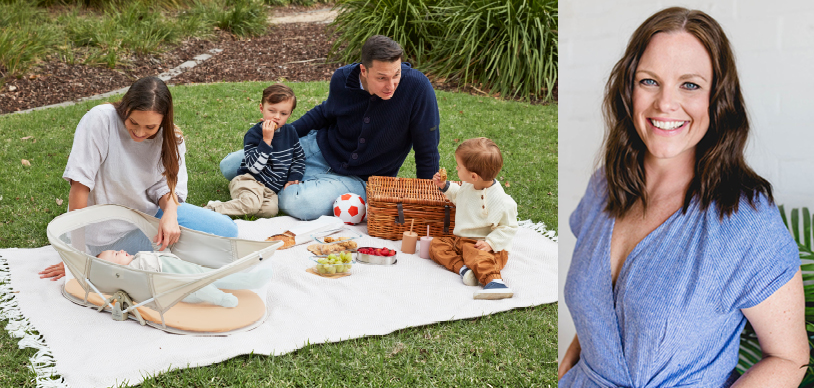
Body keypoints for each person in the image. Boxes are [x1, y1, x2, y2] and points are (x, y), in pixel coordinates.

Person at [559, 7, 807, 387]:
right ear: (628, 88)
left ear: (718, 98)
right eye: (649, 81)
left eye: (689, 84)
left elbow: (789, 358)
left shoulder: (747, 221)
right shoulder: (604, 187)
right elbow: (601, 312)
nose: (665, 104)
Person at [218, 35, 441, 220]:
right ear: (364, 71)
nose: (391, 85)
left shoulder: (417, 88)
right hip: (318, 149)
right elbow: (325, 113)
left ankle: (268, 183)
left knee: (297, 202)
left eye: (396, 75)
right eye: (382, 78)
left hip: (359, 178)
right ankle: (279, 179)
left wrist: (427, 201)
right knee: (229, 165)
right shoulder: (343, 78)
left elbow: (426, 148)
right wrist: (282, 138)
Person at [39, 76, 238, 282]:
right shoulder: (100, 120)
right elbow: (80, 187)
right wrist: (76, 257)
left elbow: (165, 188)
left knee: (227, 232)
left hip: (145, 222)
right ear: (125, 108)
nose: (139, 132)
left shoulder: (171, 140)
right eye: (133, 122)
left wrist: (170, 213)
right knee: (204, 250)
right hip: (101, 238)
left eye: (150, 128)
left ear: (163, 122)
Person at [430, 138, 518, 300]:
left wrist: (490, 243)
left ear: (473, 175)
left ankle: (495, 283)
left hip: (486, 247)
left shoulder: (501, 201)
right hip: (462, 241)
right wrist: (445, 186)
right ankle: (465, 270)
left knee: (478, 256)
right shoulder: (468, 185)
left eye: (459, 166)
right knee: (436, 245)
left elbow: (509, 227)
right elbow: (460, 197)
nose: (456, 168)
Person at [204, 84, 305, 218]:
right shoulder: (254, 134)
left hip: (269, 190)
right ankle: (212, 209)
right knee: (251, 205)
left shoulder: (290, 132)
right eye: (272, 111)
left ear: (290, 114)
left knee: (270, 211)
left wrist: (294, 177)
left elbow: (299, 158)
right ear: (262, 108)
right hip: (249, 180)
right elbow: (254, 168)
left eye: (283, 113)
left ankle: (240, 204)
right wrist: (266, 141)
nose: (277, 117)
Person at [97, 250, 273, 307]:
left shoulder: (137, 257)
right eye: (115, 254)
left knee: (216, 275)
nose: (121, 251)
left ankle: (249, 281)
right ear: (116, 269)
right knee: (201, 286)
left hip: (189, 270)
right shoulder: (133, 272)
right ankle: (220, 298)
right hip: (181, 285)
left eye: (117, 249)